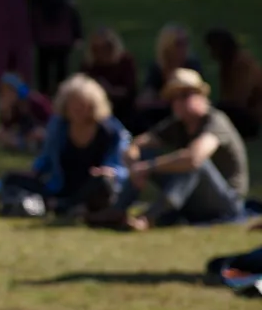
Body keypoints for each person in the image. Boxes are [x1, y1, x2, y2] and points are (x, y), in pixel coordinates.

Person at [93, 69, 249, 230]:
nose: (180, 102)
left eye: (186, 95)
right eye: (174, 97)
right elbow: (137, 144)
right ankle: (116, 211)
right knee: (146, 156)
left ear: (201, 96)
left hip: (227, 202)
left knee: (194, 164)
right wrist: (134, 164)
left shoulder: (216, 121)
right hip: (193, 198)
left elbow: (194, 158)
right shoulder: (178, 125)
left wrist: (148, 167)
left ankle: (149, 218)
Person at [2, 74, 130, 219]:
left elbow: (121, 167)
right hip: (61, 187)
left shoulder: (109, 131)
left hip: (91, 186)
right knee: (11, 178)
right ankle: (57, 205)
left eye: (82, 104)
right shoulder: (58, 126)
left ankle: (64, 206)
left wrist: (110, 172)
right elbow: (46, 157)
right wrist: (35, 170)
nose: (77, 108)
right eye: (73, 103)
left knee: (103, 183)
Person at [133, 24, 202, 134]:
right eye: (179, 44)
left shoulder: (192, 65)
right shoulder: (158, 68)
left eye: (186, 42)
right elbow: (143, 101)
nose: (184, 47)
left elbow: (198, 97)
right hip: (163, 113)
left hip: (187, 111)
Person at [204, 28, 262, 139]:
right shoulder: (226, 64)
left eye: (212, 48)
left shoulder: (242, 63)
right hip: (237, 110)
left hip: (250, 118)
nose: (210, 53)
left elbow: (241, 98)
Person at [80, 27, 139, 129]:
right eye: (97, 48)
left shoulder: (125, 61)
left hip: (122, 108)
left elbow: (130, 91)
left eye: (105, 47)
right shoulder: (89, 65)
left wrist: (110, 90)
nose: (101, 52)